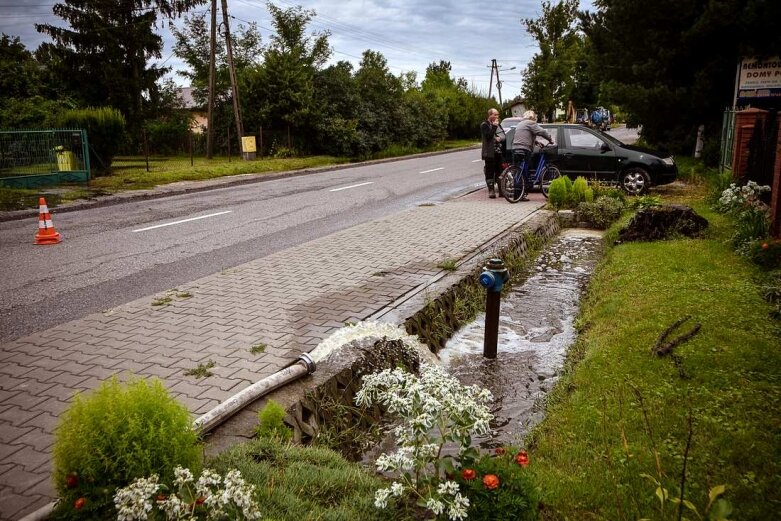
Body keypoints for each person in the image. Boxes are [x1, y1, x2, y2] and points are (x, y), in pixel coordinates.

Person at [510, 110, 553, 200]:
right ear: (532, 117)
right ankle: (526, 187)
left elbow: (525, 136)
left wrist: (536, 142)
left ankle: (517, 195)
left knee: (518, 171)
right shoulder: (531, 123)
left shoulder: (520, 124)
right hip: (525, 149)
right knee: (526, 169)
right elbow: (541, 132)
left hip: (515, 148)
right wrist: (550, 139)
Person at [480, 108, 504, 198]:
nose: (497, 117)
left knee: (500, 171)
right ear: (490, 115)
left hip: (498, 152)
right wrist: (494, 126)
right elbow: (489, 136)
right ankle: (491, 191)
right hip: (489, 153)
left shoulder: (498, 125)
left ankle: (501, 190)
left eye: (497, 115)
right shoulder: (484, 125)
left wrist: (500, 138)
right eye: (495, 115)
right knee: (490, 171)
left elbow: (503, 135)